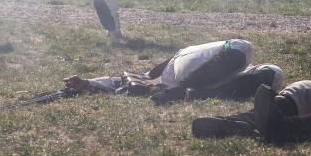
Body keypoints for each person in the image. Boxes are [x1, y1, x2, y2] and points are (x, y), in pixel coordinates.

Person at [59, 39, 284, 103]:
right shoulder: (151, 77)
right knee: (243, 48)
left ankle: (186, 92)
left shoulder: (156, 76)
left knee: (273, 73)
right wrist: (87, 83)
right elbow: (124, 82)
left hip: (194, 83)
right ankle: (182, 91)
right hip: (179, 83)